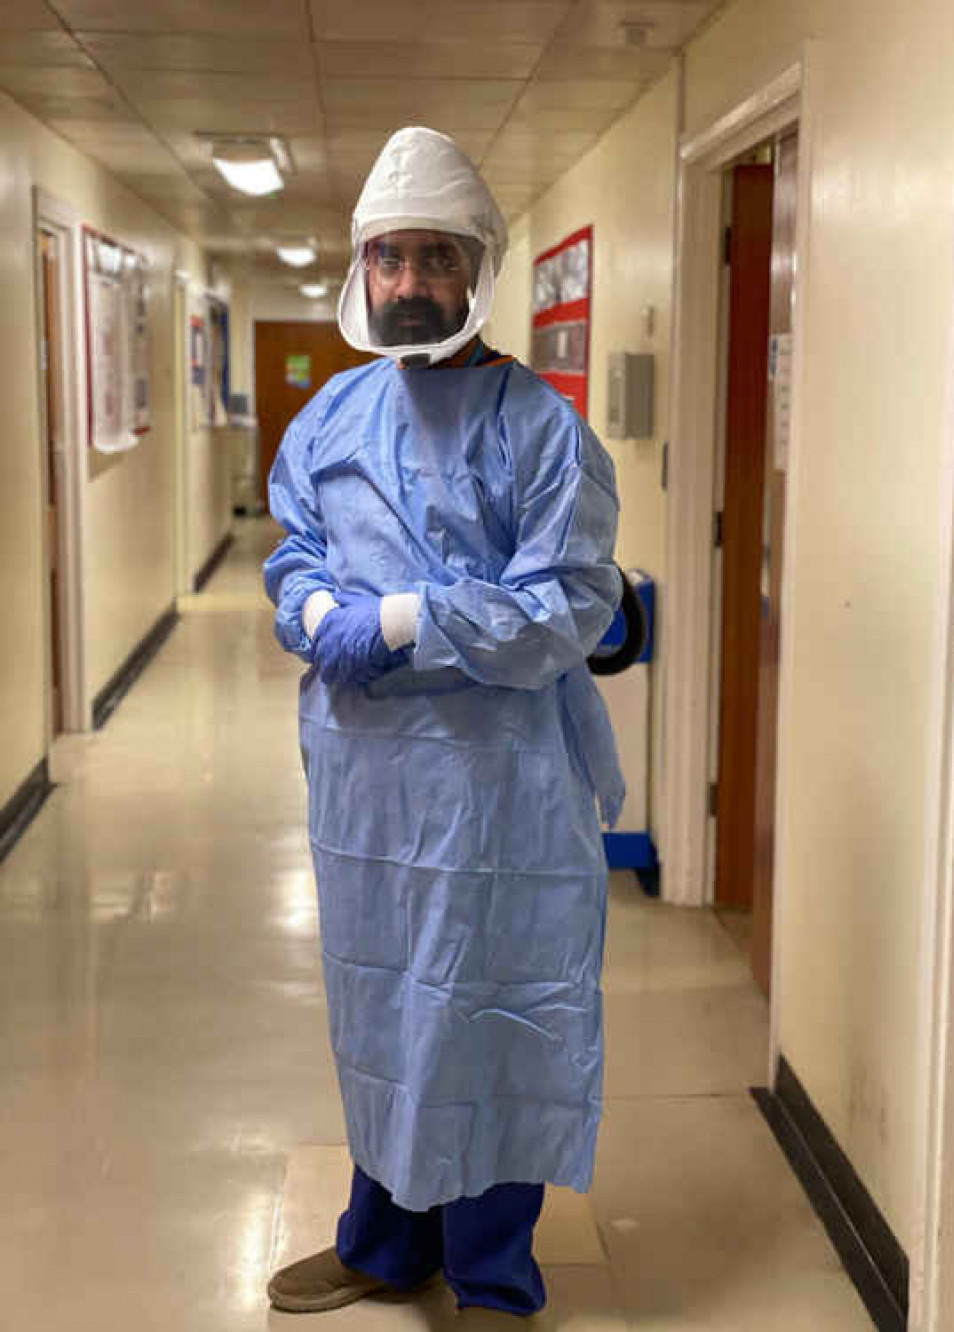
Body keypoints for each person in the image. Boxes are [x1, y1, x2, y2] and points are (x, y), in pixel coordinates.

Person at [263, 127, 625, 1320]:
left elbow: (570, 604)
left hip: (499, 786)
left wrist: (409, 618)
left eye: (433, 257)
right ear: (360, 271)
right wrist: (314, 603)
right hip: (366, 785)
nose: (410, 282)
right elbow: (296, 551)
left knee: (488, 1011)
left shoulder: (544, 433)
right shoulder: (325, 421)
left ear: (474, 268)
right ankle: (380, 1246)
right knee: (383, 1003)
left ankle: (490, 1272)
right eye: (390, 258)